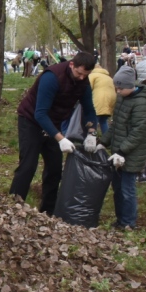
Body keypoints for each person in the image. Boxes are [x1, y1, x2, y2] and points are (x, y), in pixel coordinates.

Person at [8, 51, 98, 215]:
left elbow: (90, 109)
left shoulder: (83, 82)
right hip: (31, 121)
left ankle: (48, 211)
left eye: (85, 75)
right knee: (28, 165)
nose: (81, 78)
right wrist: (61, 139)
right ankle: (13, 207)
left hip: (54, 122)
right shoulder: (52, 77)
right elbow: (40, 114)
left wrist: (92, 132)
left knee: (55, 168)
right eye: (79, 73)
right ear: (72, 65)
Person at [99, 66, 146, 229]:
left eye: (121, 88)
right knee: (117, 188)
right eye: (116, 87)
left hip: (131, 155)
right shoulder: (123, 98)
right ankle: (120, 219)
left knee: (127, 190)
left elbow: (139, 132)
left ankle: (129, 222)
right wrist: (103, 142)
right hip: (118, 153)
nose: (118, 91)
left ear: (131, 86)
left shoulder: (141, 104)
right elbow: (116, 126)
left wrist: (123, 151)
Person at [88, 61, 116, 134]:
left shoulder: (92, 76)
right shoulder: (108, 77)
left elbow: (87, 88)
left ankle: (91, 140)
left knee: (93, 122)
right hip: (110, 101)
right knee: (103, 121)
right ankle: (106, 140)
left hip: (98, 100)